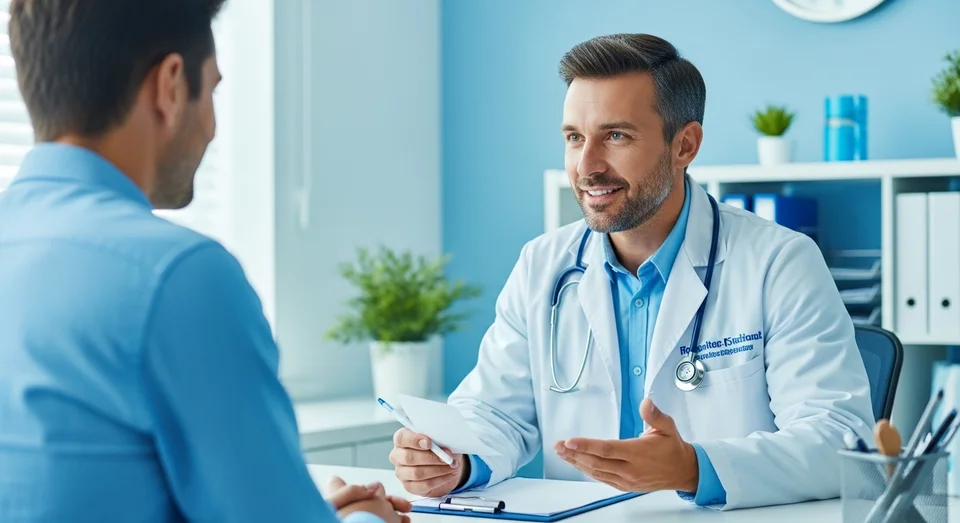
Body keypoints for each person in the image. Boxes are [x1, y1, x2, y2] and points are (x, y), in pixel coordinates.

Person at [388, 33, 875, 510]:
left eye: (615, 136)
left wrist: (694, 467)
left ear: (685, 145)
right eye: (575, 138)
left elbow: (839, 437)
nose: (587, 166)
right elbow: (495, 411)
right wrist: (457, 461)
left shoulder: (778, 262)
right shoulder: (544, 265)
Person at [0, 1, 410, 522]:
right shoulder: (177, 279)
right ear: (170, 85)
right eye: (213, 90)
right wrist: (368, 519)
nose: (214, 127)